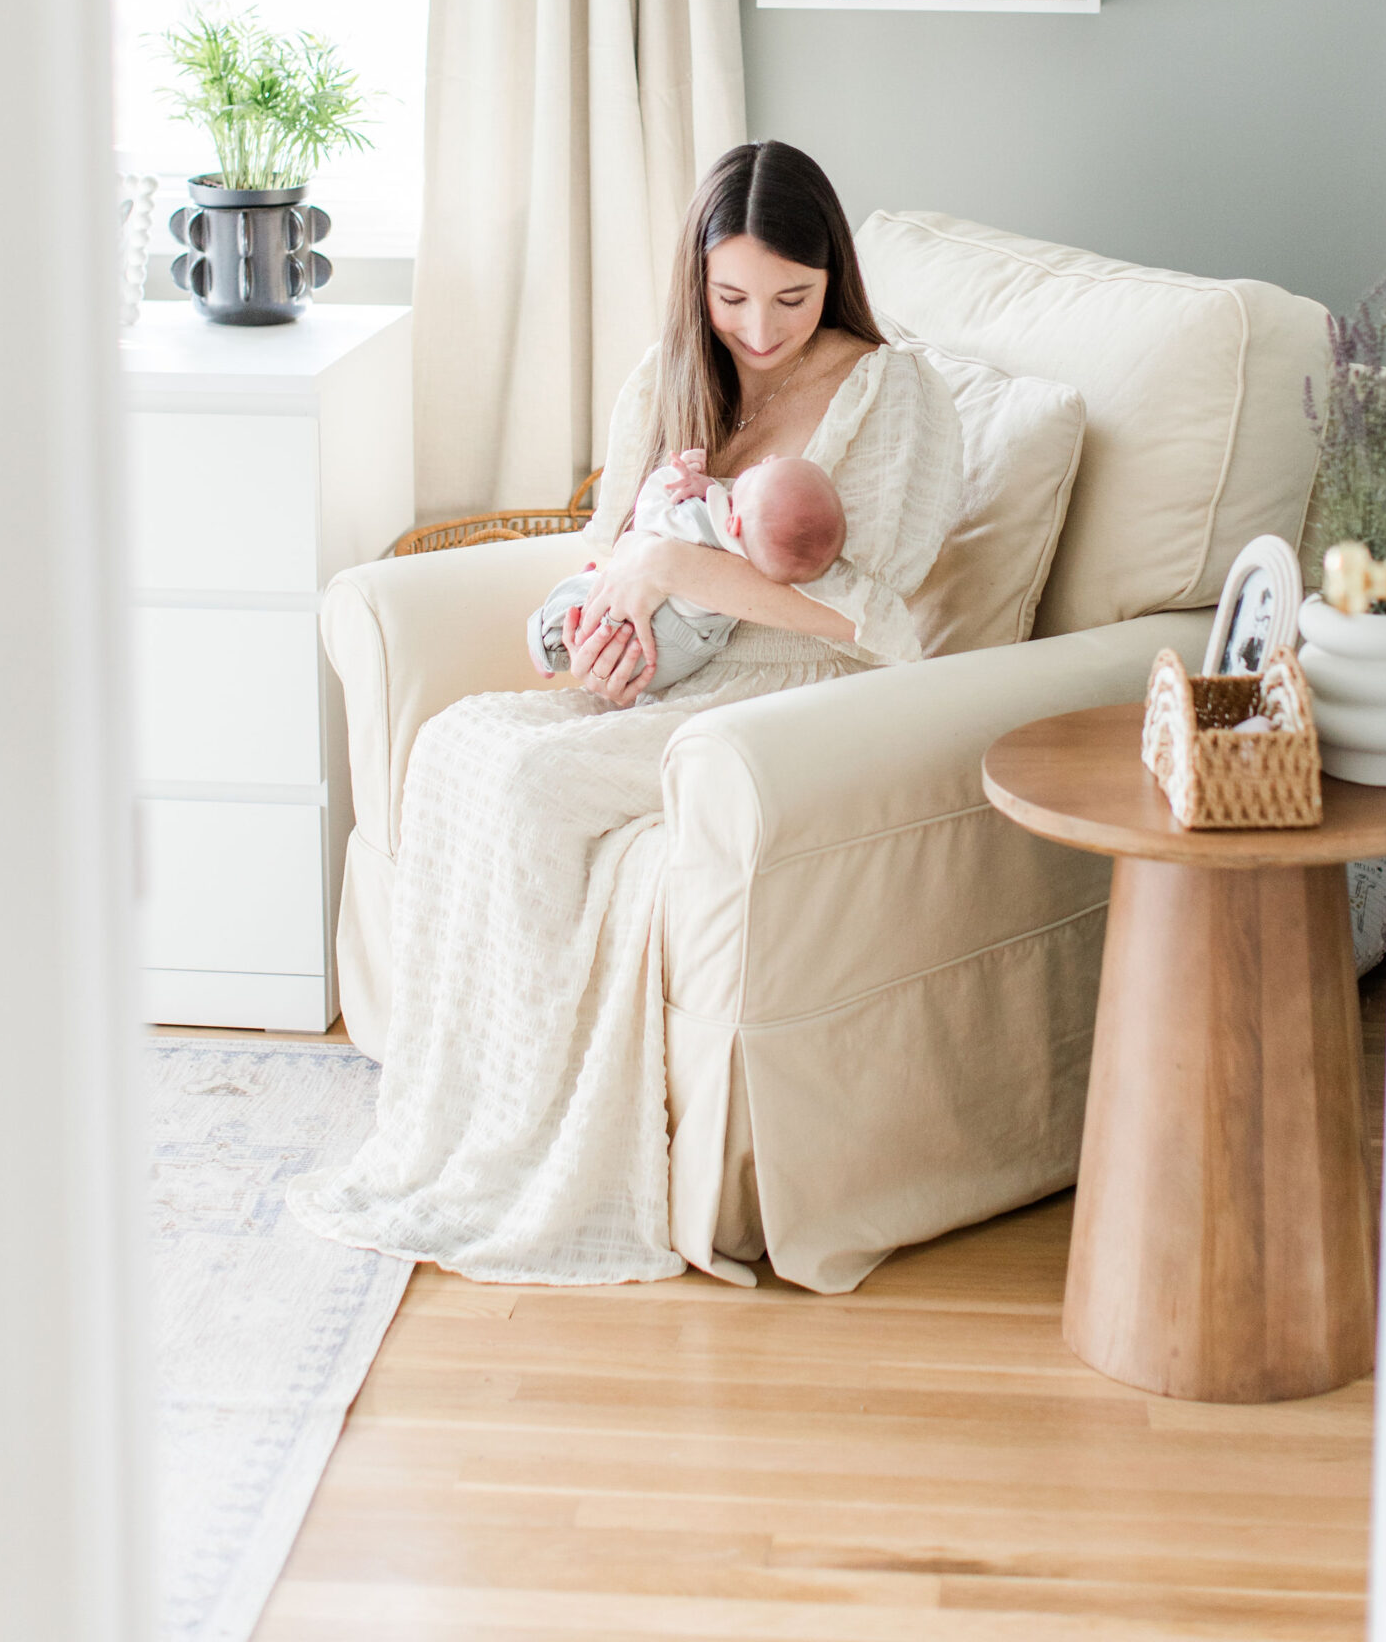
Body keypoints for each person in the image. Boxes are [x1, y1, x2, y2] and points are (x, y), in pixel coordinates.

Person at [288, 139, 964, 1285]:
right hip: (667, 672)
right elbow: (613, 556)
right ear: (696, 280)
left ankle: (541, 1143)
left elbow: (878, 625)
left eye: (792, 298)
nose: (761, 328)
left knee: (533, 783)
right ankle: (477, 1109)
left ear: (832, 276)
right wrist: (612, 635)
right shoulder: (662, 378)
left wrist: (674, 568)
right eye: (733, 296)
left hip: (796, 697)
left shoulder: (891, 393)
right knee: (457, 744)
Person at [527, 449, 848, 693]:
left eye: (762, 473)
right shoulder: (758, 558)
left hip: (655, 632)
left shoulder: (697, 522)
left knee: (578, 599)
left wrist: (670, 478)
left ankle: (541, 643)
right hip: (686, 653)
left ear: (732, 519)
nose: (767, 460)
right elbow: (735, 515)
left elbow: (651, 511)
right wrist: (709, 488)